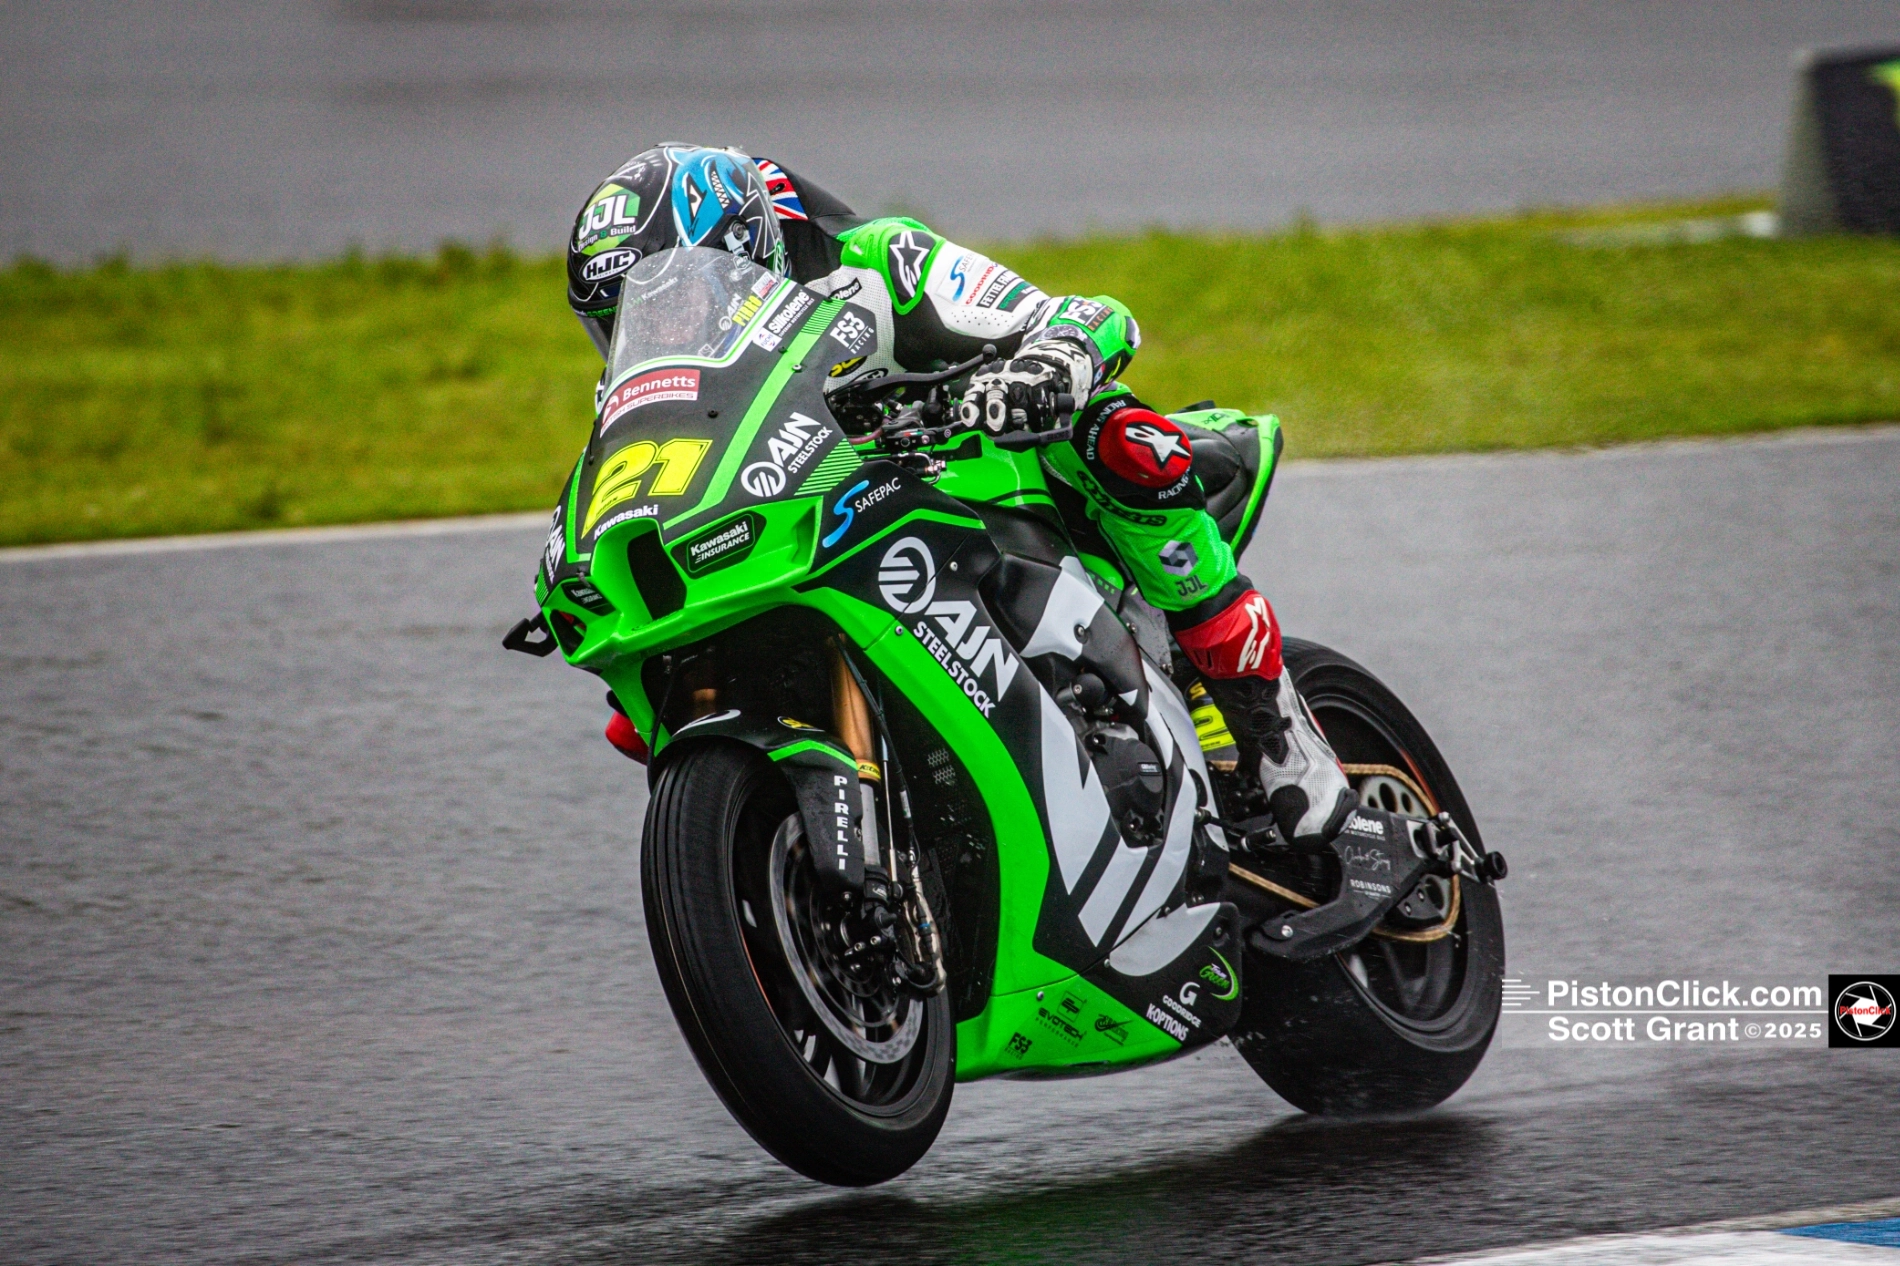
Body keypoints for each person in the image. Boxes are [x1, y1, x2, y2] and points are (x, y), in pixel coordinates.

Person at [568, 144, 1356, 852]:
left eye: (673, 300)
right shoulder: (660, 395)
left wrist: (1041, 370)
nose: (653, 328)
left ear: (743, 249)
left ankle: (1273, 725)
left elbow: (1087, 319)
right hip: (836, 535)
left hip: (990, 470)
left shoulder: (878, 266)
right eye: (627, 320)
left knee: (1118, 437)